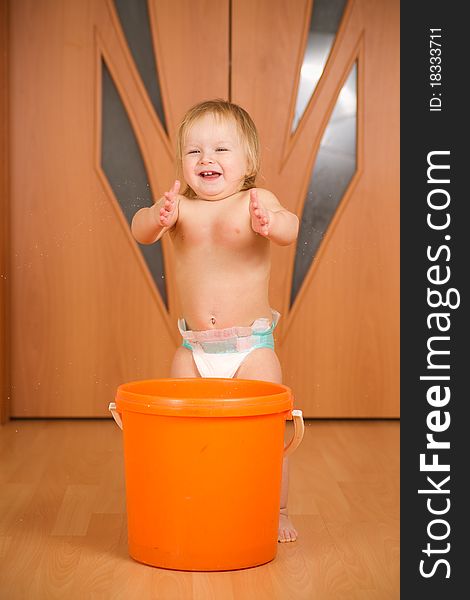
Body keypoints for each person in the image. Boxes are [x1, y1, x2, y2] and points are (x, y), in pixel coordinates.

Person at [131, 99, 299, 542]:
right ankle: (193, 499)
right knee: (182, 432)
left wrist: (271, 223)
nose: (206, 159)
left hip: (251, 349)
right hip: (195, 350)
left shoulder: (256, 200)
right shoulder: (180, 208)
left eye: (221, 150)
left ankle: (276, 509)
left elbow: (290, 227)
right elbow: (139, 229)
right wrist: (155, 217)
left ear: (248, 164)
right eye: (194, 151)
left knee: (267, 433)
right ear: (183, 164)